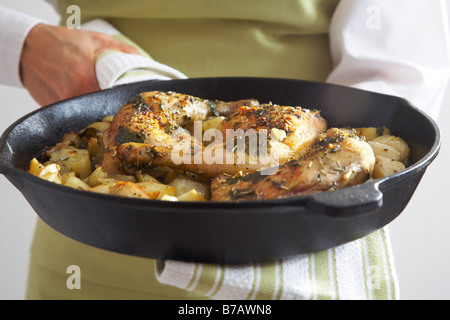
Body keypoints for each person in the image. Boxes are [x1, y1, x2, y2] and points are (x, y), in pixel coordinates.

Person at [0, 0, 449, 300]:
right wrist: (20, 42)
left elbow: (399, 60)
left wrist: (336, 142)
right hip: (92, 256)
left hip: (306, 248)